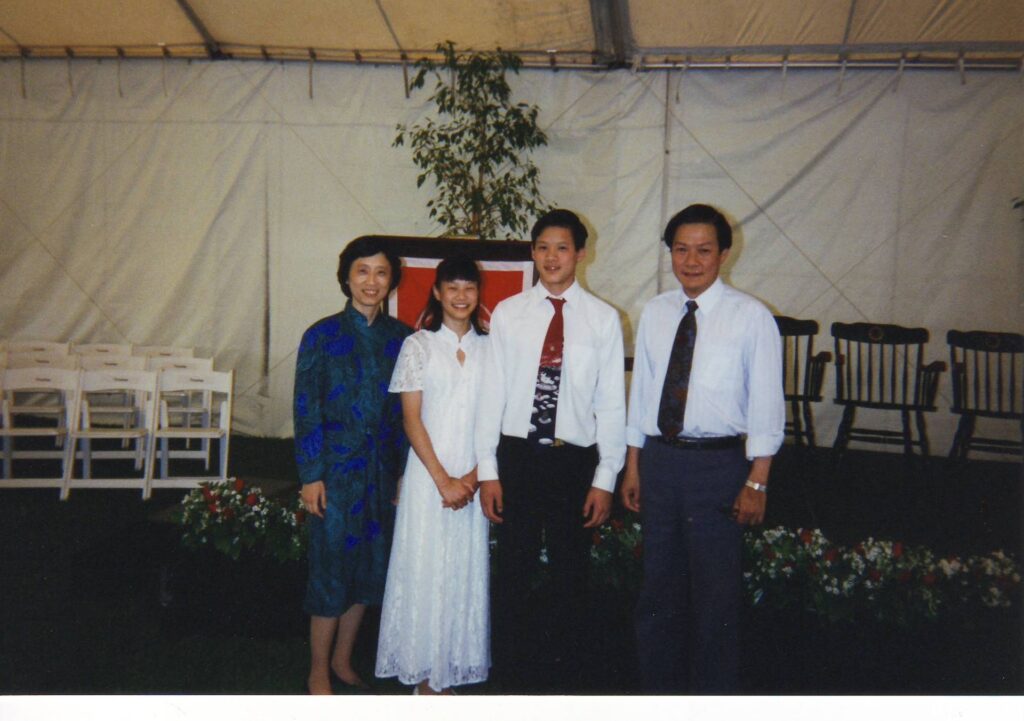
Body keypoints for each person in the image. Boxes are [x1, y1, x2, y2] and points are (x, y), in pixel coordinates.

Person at [621, 203, 784, 694]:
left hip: (719, 467)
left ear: (724, 254)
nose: (691, 261)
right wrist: (634, 467)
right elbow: (643, 395)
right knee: (657, 590)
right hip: (661, 462)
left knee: (716, 597)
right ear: (670, 252)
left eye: (704, 250)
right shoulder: (657, 311)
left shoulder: (751, 317)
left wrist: (757, 480)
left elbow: (766, 404)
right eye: (681, 250)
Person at [476, 208, 626, 691]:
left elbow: (611, 406)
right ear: (533, 252)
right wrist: (488, 470)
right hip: (517, 457)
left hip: (572, 462)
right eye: (542, 247)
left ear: (582, 253)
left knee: (570, 572)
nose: (551, 257)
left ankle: (565, 677)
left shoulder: (603, 320)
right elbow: (492, 395)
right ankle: (507, 676)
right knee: (512, 570)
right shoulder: (508, 313)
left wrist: (605, 478)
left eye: (562, 247)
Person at [293, 237, 411, 695]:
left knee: (369, 566)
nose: (371, 282)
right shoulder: (321, 336)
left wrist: (401, 471)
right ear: (346, 276)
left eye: (381, 273)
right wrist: (311, 475)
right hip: (335, 473)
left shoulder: (401, 338)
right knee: (331, 567)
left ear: (390, 281)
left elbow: (406, 412)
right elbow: (306, 408)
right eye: (362, 271)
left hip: (380, 473)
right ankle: (318, 667)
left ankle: (343, 659)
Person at [375, 255, 492, 695]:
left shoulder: (491, 347)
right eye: (452, 287)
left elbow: (496, 419)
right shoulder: (418, 345)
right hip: (430, 478)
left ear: (478, 295)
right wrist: (444, 479)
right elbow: (411, 420)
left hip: (474, 475)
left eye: (469, 287)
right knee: (425, 569)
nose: (461, 296)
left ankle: (451, 672)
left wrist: (475, 476)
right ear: (438, 293)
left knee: (461, 571)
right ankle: (423, 676)